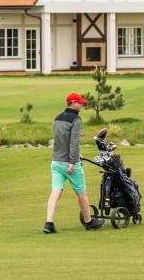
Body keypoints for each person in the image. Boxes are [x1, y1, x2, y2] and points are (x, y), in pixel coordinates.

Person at [44, 92, 104, 233]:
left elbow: (60, 140)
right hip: (70, 164)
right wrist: (72, 161)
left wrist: (75, 155)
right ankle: (89, 222)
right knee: (81, 193)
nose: (81, 105)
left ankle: (48, 223)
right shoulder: (76, 120)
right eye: (80, 103)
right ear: (73, 103)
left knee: (55, 191)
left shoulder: (57, 118)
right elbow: (73, 142)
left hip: (56, 162)